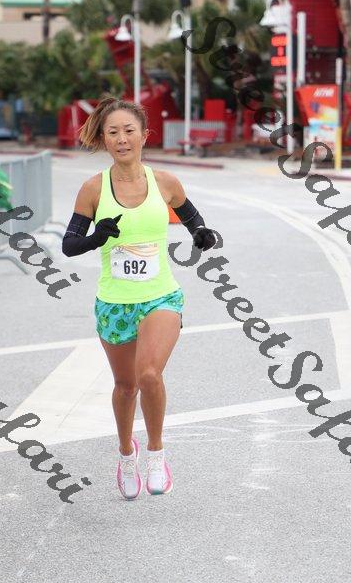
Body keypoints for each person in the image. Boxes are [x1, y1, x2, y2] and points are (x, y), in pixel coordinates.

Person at [62, 96, 216, 500]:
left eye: (129, 131)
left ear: (144, 136)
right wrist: (97, 237)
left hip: (160, 296)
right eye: (113, 132)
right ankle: (125, 454)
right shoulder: (93, 189)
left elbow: (193, 218)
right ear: (104, 139)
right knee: (126, 386)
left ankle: (156, 454)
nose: (122, 139)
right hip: (114, 302)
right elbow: (69, 245)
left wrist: (202, 234)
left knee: (149, 375)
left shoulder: (164, 183)